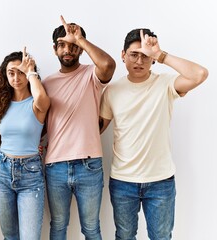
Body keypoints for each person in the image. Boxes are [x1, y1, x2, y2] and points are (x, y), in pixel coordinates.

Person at [99, 28, 208, 240]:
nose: (139, 61)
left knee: (161, 237)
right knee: (124, 236)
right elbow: (96, 130)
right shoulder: (111, 91)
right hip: (123, 181)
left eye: (146, 56)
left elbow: (200, 74)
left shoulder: (165, 84)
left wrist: (161, 54)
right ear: (123, 55)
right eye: (133, 54)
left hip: (161, 181)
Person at [42, 15, 116, 240]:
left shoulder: (91, 74)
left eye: (73, 46)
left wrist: (80, 39)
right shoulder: (47, 83)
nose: (68, 50)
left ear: (81, 50)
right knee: (58, 226)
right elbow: (42, 122)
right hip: (55, 166)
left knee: (91, 228)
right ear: (54, 49)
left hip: (89, 164)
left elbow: (108, 65)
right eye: (62, 45)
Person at [0, 47, 50, 240]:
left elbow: (43, 99)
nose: (16, 78)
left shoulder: (37, 103)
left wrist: (30, 72)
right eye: (11, 73)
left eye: (20, 72)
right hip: (1, 171)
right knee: (10, 236)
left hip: (30, 173)